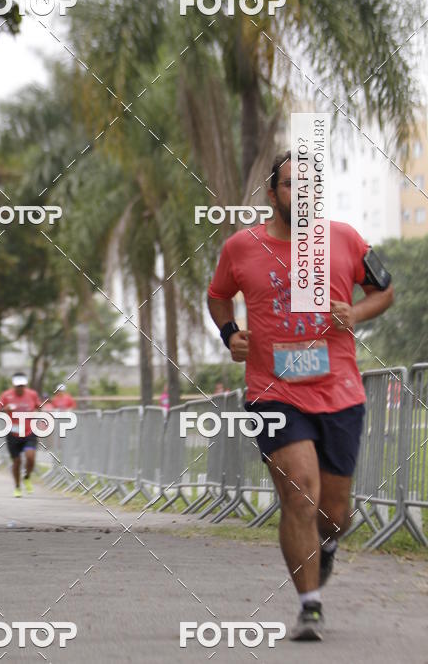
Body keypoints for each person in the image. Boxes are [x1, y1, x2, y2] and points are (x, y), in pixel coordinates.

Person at [207, 151, 394, 641]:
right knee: (299, 492)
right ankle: (309, 606)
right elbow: (217, 294)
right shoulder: (240, 248)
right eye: (292, 186)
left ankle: (327, 546)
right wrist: (230, 334)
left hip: (340, 391)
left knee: (334, 514)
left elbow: (384, 290)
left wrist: (357, 314)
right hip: (274, 392)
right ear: (273, 194)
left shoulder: (346, 239)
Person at [0, 372, 40, 497]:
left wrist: (37, 413)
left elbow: (39, 407)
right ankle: (17, 486)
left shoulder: (32, 394)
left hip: (29, 432)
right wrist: (5, 409)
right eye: (17, 386)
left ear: (25, 385)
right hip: (13, 433)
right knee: (17, 461)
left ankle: (27, 477)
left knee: (30, 457)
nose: (20, 388)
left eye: (22, 385)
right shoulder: (6, 395)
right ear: (13, 385)